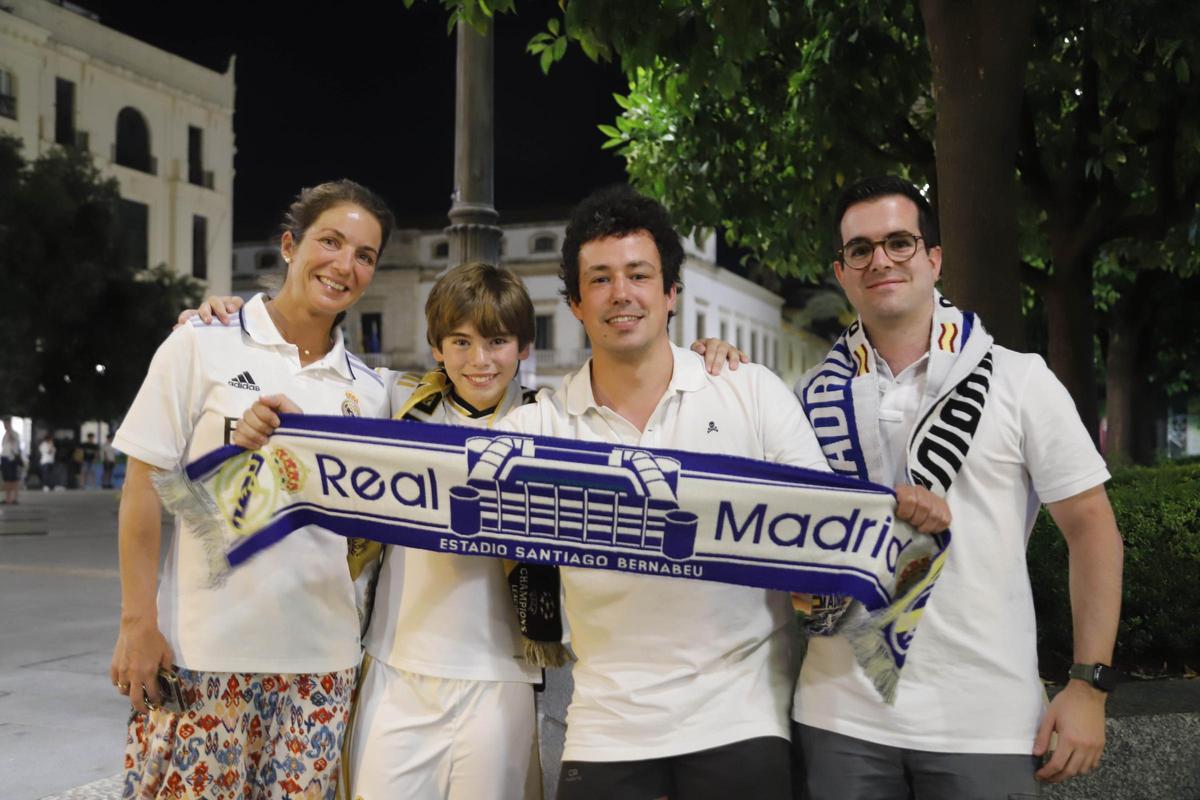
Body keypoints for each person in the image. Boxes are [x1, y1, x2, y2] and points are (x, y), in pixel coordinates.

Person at [493, 185, 948, 800]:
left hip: (743, 720)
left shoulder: (750, 392)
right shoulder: (535, 430)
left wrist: (893, 517)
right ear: (574, 302)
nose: (621, 293)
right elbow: (437, 485)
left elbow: (823, 532)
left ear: (671, 292)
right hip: (605, 730)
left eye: (639, 274)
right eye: (599, 279)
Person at [791, 176, 1124, 799]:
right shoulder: (807, 400)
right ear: (842, 271)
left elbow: (1093, 530)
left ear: (933, 258)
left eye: (899, 242)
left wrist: (1088, 683)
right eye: (859, 249)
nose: (880, 260)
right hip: (838, 713)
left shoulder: (1019, 380)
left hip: (985, 719)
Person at [109, 179, 395, 799]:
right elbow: (142, 485)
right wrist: (137, 622)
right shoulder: (201, 343)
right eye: (331, 241)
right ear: (291, 246)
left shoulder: (371, 391)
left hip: (321, 666)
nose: (345, 265)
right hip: (204, 656)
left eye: (365, 255)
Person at [1, 417, 21, 505]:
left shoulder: (14, 433)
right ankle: (7, 498)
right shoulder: (5, 434)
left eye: (6, 424)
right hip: (4, 458)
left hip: (11, 459)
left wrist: (10, 430)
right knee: (6, 479)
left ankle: (14, 498)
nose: (5, 426)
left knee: (13, 479)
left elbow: (13, 440)